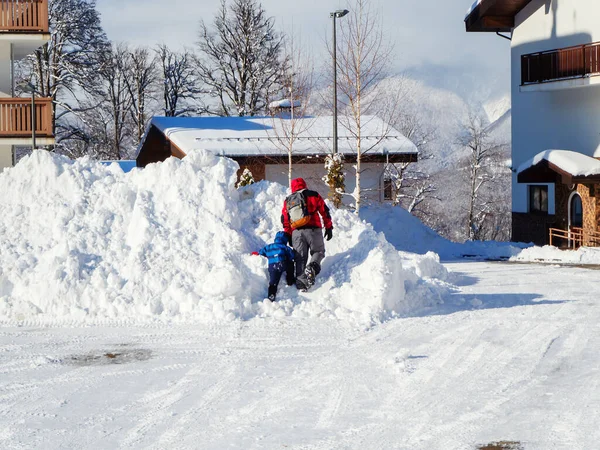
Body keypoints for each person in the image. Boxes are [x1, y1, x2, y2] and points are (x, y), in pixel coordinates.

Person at [281, 177, 333, 290]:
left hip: (296, 233)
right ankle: (313, 267)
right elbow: (325, 211)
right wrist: (328, 227)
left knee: (300, 257)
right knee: (318, 251)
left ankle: (301, 283)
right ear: (304, 185)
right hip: (314, 229)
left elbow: (285, 220)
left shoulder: (288, 200)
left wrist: (289, 234)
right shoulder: (313, 195)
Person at [252, 231, 296, 301]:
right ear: (285, 240)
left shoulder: (269, 247)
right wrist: (290, 259)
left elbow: (261, 252)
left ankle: (271, 295)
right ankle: (290, 280)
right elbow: (292, 255)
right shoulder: (284, 247)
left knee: (273, 282)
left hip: (272, 266)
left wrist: (256, 253)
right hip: (283, 263)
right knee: (290, 265)